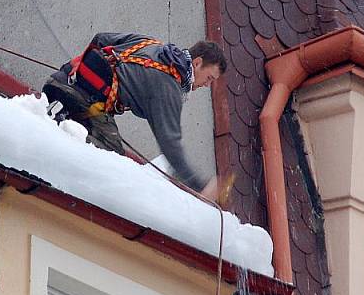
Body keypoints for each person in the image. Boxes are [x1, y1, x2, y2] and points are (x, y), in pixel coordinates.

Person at [42, 33, 226, 199]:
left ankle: (64, 119)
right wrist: (200, 186)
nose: (207, 85)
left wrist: (78, 74)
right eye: (209, 78)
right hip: (82, 102)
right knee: (110, 164)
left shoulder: (151, 44)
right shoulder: (169, 87)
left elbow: (101, 39)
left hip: (62, 80)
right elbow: (170, 144)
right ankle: (59, 176)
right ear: (197, 63)